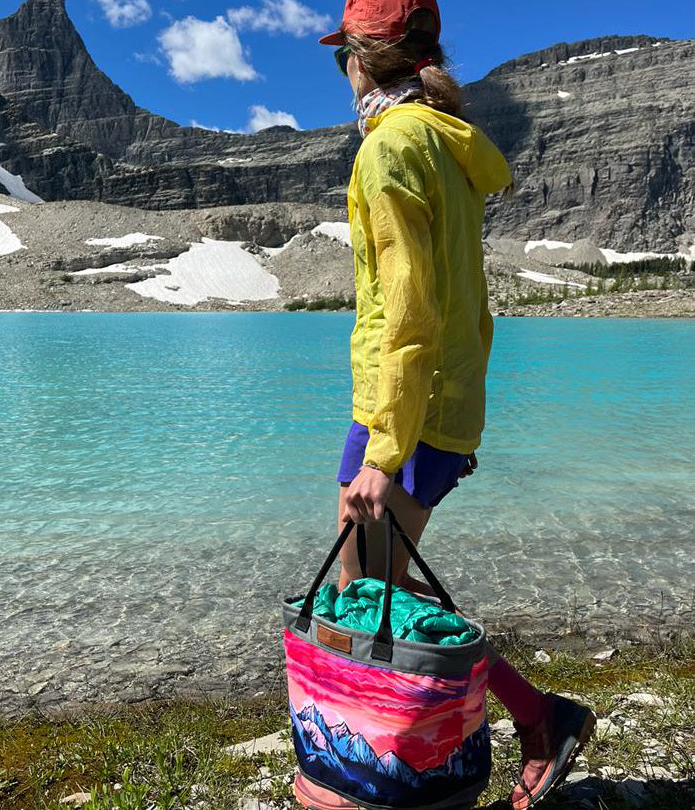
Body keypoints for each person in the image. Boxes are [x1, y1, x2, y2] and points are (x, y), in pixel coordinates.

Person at [296, 2, 596, 809]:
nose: (342, 70)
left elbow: (410, 311)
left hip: (406, 409)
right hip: (438, 399)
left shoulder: (391, 146)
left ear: (363, 59)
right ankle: (510, 724)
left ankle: (427, 756)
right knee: (375, 590)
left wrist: (383, 451)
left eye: (342, 56)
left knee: (365, 593)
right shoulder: (443, 140)